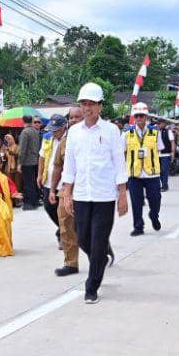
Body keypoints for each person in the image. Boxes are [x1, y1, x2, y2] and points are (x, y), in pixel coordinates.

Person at [59, 83, 128, 304]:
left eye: (91, 104)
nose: (87, 108)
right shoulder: (74, 133)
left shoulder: (111, 131)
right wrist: (67, 194)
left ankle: (92, 286)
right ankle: (102, 257)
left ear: (100, 106)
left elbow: (119, 163)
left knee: (97, 242)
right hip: (81, 195)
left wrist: (122, 194)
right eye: (83, 104)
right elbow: (69, 165)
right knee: (82, 237)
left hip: (104, 196)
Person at [122, 102, 163, 236]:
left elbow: (159, 150)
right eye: (137, 116)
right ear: (134, 117)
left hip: (151, 173)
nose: (139, 118)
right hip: (134, 173)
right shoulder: (127, 134)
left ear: (146, 117)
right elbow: (122, 153)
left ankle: (154, 215)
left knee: (155, 199)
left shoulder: (155, 132)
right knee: (136, 202)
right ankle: (138, 226)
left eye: (142, 116)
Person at [51, 105, 83, 276]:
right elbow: (57, 167)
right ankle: (71, 263)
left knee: (87, 228)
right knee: (65, 225)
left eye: (78, 117)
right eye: (71, 117)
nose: (74, 120)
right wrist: (52, 189)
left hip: (88, 189)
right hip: (67, 189)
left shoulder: (94, 139)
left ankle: (101, 251)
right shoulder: (64, 142)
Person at [39, 115, 68, 245]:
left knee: (63, 211)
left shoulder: (71, 138)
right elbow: (42, 157)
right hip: (48, 180)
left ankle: (64, 234)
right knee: (49, 207)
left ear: (64, 127)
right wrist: (39, 174)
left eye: (56, 130)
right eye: (52, 130)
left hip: (64, 182)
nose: (53, 132)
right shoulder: (47, 138)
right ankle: (62, 230)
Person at [18, 114, 42, 210]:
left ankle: (29, 204)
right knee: (34, 182)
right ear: (31, 121)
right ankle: (35, 201)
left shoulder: (25, 132)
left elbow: (22, 149)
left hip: (27, 162)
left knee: (28, 183)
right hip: (35, 160)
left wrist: (20, 163)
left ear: (23, 121)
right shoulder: (35, 132)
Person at [156, 119, 175, 191]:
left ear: (164, 124)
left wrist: (173, 152)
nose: (159, 125)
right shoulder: (155, 132)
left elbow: (172, 142)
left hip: (166, 154)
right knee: (159, 171)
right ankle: (164, 184)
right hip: (157, 155)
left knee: (165, 171)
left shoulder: (168, 131)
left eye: (160, 123)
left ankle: (164, 185)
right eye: (158, 123)